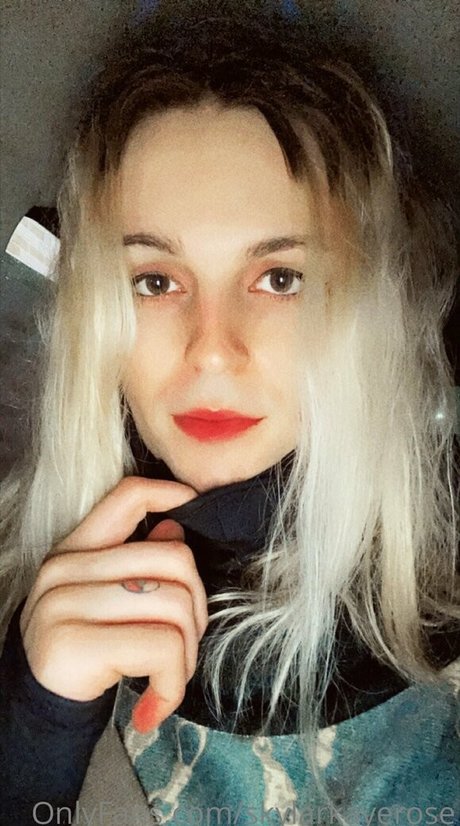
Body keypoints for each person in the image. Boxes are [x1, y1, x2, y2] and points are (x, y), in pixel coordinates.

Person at [0, 2, 459, 824]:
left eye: (281, 279)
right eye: (156, 281)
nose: (212, 351)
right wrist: (38, 737)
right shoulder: (18, 588)